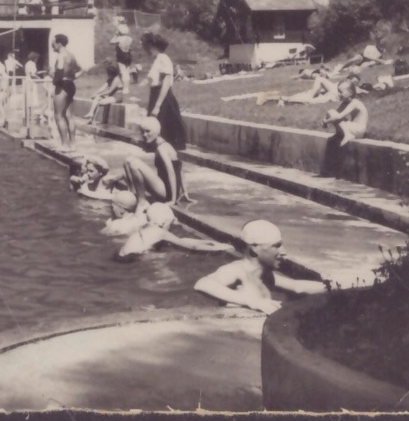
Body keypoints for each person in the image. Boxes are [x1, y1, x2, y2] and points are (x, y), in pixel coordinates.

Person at [194, 220, 327, 314]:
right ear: (255, 249)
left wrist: (336, 285)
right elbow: (203, 284)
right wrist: (253, 301)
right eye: (276, 246)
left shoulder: (265, 276)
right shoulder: (237, 270)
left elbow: (297, 286)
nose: (284, 252)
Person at [141, 32, 190, 202]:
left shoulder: (163, 58)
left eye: (145, 45)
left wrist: (157, 106)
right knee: (158, 145)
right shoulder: (157, 60)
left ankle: (174, 190)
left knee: (165, 143)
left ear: (151, 45)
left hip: (163, 101)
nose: (144, 49)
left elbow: (166, 84)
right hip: (157, 98)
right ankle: (169, 185)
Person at [116, 202, 234, 259]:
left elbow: (180, 240)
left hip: (122, 257)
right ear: (163, 222)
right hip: (135, 259)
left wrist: (209, 243)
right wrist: (220, 248)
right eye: (170, 223)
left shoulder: (147, 229)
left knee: (168, 249)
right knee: (170, 255)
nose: (170, 227)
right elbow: (191, 247)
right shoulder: (161, 232)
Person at [121, 116, 184, 205]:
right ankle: (132, 194)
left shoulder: (161, 148)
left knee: (133, 163)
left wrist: (173, 200)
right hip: (167, 189)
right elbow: (180, 168)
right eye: (142, 132)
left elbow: (172, 172)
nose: (144, 135)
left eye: (148, 131)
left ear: (157, 131)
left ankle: (140, 202)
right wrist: (184, 192)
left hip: (166, 192)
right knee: (128, 162)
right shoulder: (167, 145)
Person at [49, 34, 81, 149]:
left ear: (59, 43)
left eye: (53, 45)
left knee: (58, 116)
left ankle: (64, 145)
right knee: (69, 115)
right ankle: (73, 144)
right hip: (70, 85)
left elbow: (60, 69)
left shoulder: (61, 56)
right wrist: (72, 77)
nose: (52, 47)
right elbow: (80, 70)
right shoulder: (71, 56)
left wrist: (53, 77)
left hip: (61, 86)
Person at [112, 19, 136, 84]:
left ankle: (125, 87)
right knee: (126, 70)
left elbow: (111, 42)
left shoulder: (119, 38)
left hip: (121, 55)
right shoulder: (130, 38)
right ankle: (133, 71)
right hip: (128, 55)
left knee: (123, 72)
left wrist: (116, 35)